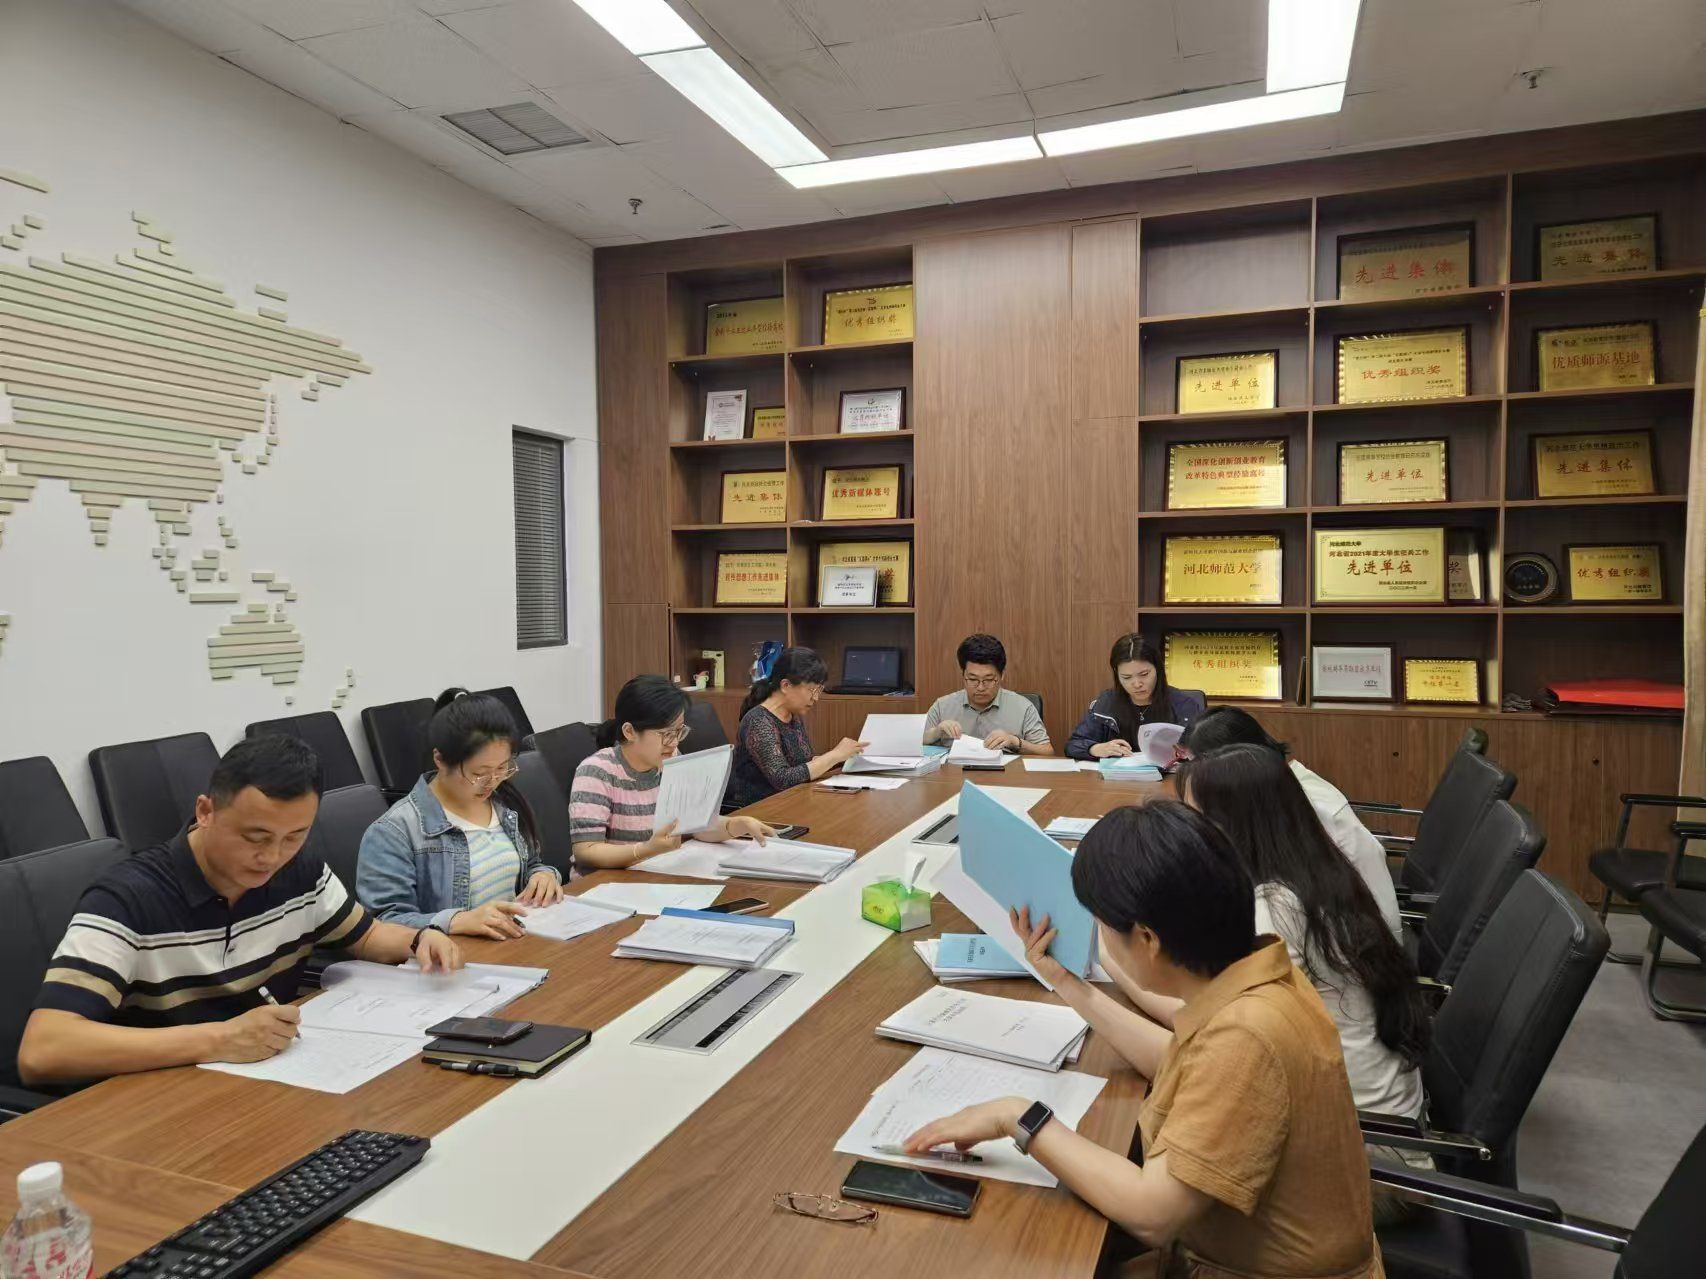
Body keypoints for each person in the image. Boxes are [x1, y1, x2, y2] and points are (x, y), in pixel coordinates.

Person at [902, 802, 1383, 1278]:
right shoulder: (1256, 971)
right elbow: (1180, 1062)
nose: (1099, 935)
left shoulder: (1246, 1037)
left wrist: (1016, 1116)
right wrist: (1068, 981)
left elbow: (1152, 1213)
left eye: (1102, 924)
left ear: (1149, 940)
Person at [17, 736, 462, 1087]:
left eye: (294, 836)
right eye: (255, 837)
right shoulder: (129, 899)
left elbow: (365, 936)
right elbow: (43, 1050)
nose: (273, 857)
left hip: (268, 1082)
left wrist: (419, 938)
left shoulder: (300, 871)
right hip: (163, 1095)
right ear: (205, 811)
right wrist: (220, 1038)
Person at [1179, 744, 1428, 1126]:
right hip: (1376, 1106)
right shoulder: (1314, 870)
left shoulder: (1276, 914)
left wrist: (1109, 962)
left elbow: (1199, 1024)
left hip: (1362, 1133)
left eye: (1194, 820)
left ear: (1235, 825)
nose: (1186, 834)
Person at [357, 688, 564, 941]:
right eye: (479, 773)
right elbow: (383, 923)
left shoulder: (504, 804)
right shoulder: (395, 831)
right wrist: (457, 920)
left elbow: (531, 863)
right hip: (454, 955)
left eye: (502, 768)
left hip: (515, 943)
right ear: (440, 759)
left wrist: (543, 875)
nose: (492, 782)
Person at [1180, 706, 1398, 937]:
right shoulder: (1282, 783)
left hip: (1359, 931)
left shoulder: (1304, 806)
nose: (1193, 774)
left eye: (1197, 764)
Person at [571, 675, 777, 870]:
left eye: (679, 731)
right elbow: (586, 851)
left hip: (658, 872)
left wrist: (735, 825)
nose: (675, 742)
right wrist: (644, 850)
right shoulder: (597, 772)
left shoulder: (671, 759)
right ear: (630, 732)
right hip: (609, 883)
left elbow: (694, 825)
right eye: (666, 734)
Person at [725, 647, 867, 809]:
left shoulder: (792, 716)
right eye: (812, 690)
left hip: (793, 800)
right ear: (786, 685)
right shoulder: (758, 721)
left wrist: (843, 757)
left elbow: (803, 764)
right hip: (762, 810)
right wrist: (834, 755)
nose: (816, 698)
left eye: (819, 690)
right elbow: (783, 780)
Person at [1066, 634, 1205, 761]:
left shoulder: (1183, 704)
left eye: (1144, 674)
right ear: (1117, 674)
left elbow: (1208, 751)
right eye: (1127, 677)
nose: (1137, 684)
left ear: (1158, 669)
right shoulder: (1106, 703)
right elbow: (1073, 745)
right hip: (1117, 777)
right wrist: (1095, 748)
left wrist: (1187, 751)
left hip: (1170, 778)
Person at [921, 633, 1052, 755]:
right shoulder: (942, 706)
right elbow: (915, 743)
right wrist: (936, 733)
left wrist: (1015, 741)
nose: (980, 687)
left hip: (1006, 772)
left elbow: (1047, 752)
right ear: (963, 674)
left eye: (989, 680)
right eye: (973, 679)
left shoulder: (1023, 707)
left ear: (1002, 675)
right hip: (954, 772)